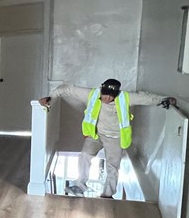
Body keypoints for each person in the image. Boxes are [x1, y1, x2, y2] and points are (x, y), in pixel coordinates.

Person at [38, 78, 176, 198]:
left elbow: (146, 98)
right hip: (95, 134)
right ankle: (79, 186)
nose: (107, 99)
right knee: (85, 156)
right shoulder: (91, 94)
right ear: (101, 90)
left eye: (111, 97)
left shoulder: (125, 97)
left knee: (113, 167)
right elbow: (67, 89)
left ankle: (107, 195)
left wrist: (164, 99)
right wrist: (50, 97)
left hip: (115, 137)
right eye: (105, 95)